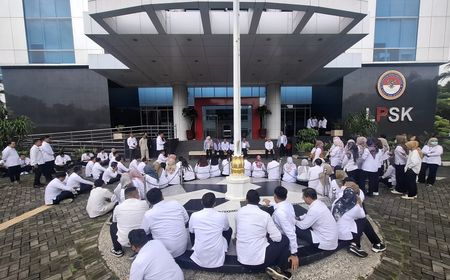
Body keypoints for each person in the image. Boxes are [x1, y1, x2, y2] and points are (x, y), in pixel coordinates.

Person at [235, 190, 294, 279]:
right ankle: (280, 269)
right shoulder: (264, 215)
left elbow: (236, 233)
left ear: (246, 200)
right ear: (258, 201)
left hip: (242, 258)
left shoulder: (239, 212)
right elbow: (277, 238)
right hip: (259, 261)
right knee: (285, 239)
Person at [331, 188, 385, 257]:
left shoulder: (336, 202)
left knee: (352, 220)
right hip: (345, 235)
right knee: (364, 221)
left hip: (335, 232)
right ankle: (376, 243)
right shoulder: (355, 208)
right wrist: (360, 204)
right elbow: (363, 215)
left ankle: (355, 244)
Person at [140, 188, 189, 258]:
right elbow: (186, 219)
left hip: (165, 252)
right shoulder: (175, 203)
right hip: (183, 246)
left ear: (149, 202)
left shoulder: (148, 214)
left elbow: (144, 232)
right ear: (162, 196)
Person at [189, 192, 232, 268]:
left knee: (192, 231)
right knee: (229, 230)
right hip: (217, 254)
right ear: (215, 203)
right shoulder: (222, 216)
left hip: (200, 254)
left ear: (201, 202)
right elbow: (226, 229)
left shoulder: (194, 215)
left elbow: (191, 231)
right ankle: (225, 249)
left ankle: (194, 247)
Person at [263, 187, 300, 267]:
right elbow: (279, 205)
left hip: (282, 237)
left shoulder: (279, 213)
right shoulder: (288, 204)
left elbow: (289, 232)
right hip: (290, 228)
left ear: (275, 196)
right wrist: (270, 203)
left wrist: (294, 253)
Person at [110, 186, 149, 257]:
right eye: (138, 193)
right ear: (136, 194)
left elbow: (114, 221)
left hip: (125, 241)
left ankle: (118, 250)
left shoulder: (118, 207)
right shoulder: (144, 204)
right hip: (143, 237)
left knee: (113, 226)